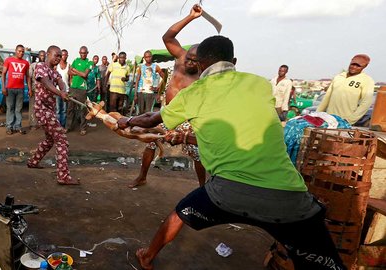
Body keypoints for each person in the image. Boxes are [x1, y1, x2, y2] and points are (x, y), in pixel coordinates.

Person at [117, 35, 346, 270]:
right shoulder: (260, 84)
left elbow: (149, 119)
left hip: (227, 193)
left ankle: (147, 257)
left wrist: (126, 120)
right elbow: (234, 130)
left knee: (179, 214)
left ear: (199, 65)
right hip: (290, 196)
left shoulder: (193, 93)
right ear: (234, 60)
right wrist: (185, 136)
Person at [129, 4, 205, 188]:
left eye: (195, 61)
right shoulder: (180, 57)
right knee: (151, 142)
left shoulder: (203, 74)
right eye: (189, 59)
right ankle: (142, 177)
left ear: (202, 62)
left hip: (188, 118)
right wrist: (190, 17)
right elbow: (168, 36)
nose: (190, 63)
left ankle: (204, 187)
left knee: (196, 153)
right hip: (167, 112)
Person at [27, 45, 79, 185]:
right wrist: (59, 93)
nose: (58, 58)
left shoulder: (54, 71)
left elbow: (60, 81)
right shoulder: (40, 68)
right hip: (42, 110)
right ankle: (63, 176)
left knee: (50, 140)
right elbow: (46, 83)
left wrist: (64, 90)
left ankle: (33, 161)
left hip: (49, 111)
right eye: (56, 55)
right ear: (48, 54)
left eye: (60, 56)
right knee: (62, 140)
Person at [317, 54, 375, 125]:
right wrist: (317, 114)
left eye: (358, 66)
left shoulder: (367, 80)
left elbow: (366, 103)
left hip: (344, 121)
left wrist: (349, 120)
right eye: (352, 64)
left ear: (365, 66)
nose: (354, 67)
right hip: (329, 119)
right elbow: (327, 98)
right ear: (350, 62)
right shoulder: (338, 77)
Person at [2, 44, 31, 135]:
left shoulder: (26, 63)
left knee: (19, 109)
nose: (21, 53)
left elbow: (28, 76)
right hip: (10, 88)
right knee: (10, 108)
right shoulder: (8, 60)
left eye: (22, 51)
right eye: (19, 51)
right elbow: (3, 74)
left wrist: (29, 88)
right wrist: (3, 87)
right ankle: (9, 127)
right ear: (15, 51)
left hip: (20, 89)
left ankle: (17, 126)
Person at [66, 46, 91, 135]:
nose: (82, 54)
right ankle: (68, 127)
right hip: (73, 88)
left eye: (84, 53)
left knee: (82, 109)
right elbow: (69, 72)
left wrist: (75, 70)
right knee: (70, 109)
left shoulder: (89, 62)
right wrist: (78, 72)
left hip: (82, 89)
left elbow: (85, 75)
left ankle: (83, 128)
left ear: (87, 53)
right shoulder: (76, 60)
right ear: (79, 53)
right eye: (81, 53)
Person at [28, 50, 45, 130]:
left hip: (44, 91)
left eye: (44, 55)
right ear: (38, 56)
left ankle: (41, 123)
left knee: (42, 108)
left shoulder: (47, 66)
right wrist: (30, 89)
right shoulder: (33, 65)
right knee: (32, 107)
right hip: (35, 89)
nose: (42, 57)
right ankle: (33, 124)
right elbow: (29, 78)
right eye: (41, 55)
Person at [56, 49, 69, 127]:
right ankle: (57, 125)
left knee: (64, 110)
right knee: (57, 109)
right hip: (57, 91)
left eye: (66, 55)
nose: (64, 56)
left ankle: (63, 125)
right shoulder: (56, 66)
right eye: (63, 55)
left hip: (66, 91)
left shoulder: (69, 65)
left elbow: (70, 78)